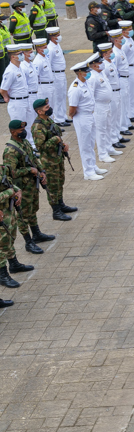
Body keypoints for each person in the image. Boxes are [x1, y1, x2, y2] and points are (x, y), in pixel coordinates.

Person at [4, 118, 53, 254]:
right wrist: (29, 171)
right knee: (22, 215)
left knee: (32, 210)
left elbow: (33, 159)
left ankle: (36, 234)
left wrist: (41, 171)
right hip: (22, 188)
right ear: (13, 132)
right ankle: (28, 242)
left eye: (24, 129)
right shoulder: (10, 151)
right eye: (20, 130)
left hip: (31, 185)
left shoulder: (24, 143)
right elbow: (11, 173)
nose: (23, 132)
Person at [31, 98, 74, 222]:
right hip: (49, 162)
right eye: (46, 108)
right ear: (39, 112)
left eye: (48, 106)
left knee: (60, 182)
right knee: (52, 186)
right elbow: (41, 147)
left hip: (57, 158)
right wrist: (56, 140)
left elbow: (56, 135)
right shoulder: (38, 126)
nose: (49, 108)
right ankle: (56, 211)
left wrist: (63, 145)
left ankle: (61, 205)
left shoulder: (48, 120)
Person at [67, 60, 103, 181]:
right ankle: (88, 172)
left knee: (91, 143)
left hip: (90, 115)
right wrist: (74, 116)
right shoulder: (75, 88)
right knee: (85, 145)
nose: (88, 73)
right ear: (80, 73)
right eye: (86, 72)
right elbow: (72, 109)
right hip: (82, 117)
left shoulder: (86, 83)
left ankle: (92, 166)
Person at [0, 163, 31, 298]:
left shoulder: (2, 169)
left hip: (7, 210)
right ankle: (3, 274)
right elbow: (8, 190)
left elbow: (9, 183)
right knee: (1, 245)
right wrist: (10, 192)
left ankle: (14, 264)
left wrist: (17, 190)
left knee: (10, 238)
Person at [87, 52, 118, 163]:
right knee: (101, 130)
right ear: (94, 65)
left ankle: (109, 148)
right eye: (100, 62)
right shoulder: (92, 77)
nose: (102, 64)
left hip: (106, 104)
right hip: (99, 106)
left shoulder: (100, 73)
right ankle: (102, 154)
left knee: (108, 127)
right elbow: (91, 94)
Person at [98, 41, 128, 152]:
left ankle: (117, 136)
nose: (112, 53)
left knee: (117, 116)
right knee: (113, 118)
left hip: (117, 92)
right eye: (110, 52)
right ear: (104, 54)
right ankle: (113, 140)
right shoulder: (105, 66)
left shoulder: (111, 63)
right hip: (112, 94)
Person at [116, 21, 134, 122]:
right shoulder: (124, 43)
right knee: (131, 92)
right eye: (129, 30)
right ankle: (131, 114)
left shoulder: (129, 39)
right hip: (129, 68)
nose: (131, 31)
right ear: (123, 32)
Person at [1, 46, 30, 128]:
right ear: (13, 57)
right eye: (19, 54)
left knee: (28, 126)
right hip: (17, 103)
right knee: (19, 128)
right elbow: (3, 89)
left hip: (25, 100)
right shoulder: (10, 71)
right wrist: (6, 97)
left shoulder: (19, 67)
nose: (22, 55)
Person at [44, 27, 69, 126]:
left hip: (62, 73)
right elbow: (49, 64)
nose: (59, 37)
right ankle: (58, 119)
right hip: (56, 74)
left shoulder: (57, 45)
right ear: (52, 37)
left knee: (63, 95)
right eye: (57, 35)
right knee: (58, 97)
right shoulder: (50, 48)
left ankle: (63, 116)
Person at [30, 39, 54, 125]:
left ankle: (51, 125)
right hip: (44, 87)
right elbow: (35, 77)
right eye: (44, 47)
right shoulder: (38, 61)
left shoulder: (45, 57)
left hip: (50, 85)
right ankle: (47, 126)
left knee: (51, 107)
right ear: (39, 49)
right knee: (46, 108)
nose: (47, 49)